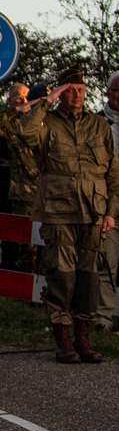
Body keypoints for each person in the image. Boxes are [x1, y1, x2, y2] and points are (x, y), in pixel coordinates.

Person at [13, 67, 119, 363]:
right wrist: (48, 99)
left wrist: (111, 211)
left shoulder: (98, 126)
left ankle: (84, 339)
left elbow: (113, 174)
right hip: (59, 212)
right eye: (71, 90)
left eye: (82, 90)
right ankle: (64, 341)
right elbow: (25, 131)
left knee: (89, 279)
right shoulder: (47, 123)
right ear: (62, 92)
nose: (78, 95)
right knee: (62, 277)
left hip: (93, 214)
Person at [0, 80, 42, 273]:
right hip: (12, 187)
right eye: (19, 97)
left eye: (26, 96)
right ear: (9, 100)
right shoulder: (4, 123)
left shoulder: (36, 124)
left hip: (35, 189)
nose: (24, 100)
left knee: (35, 239)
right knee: (14, 237)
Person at [97, 70, 119, 333]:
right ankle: (102, 319)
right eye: (115, 90)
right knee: (105, 264)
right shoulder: (97, 123)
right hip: (107, 203)